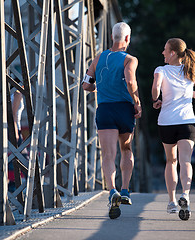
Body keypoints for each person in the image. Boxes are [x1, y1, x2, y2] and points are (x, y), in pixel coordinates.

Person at [82, 22, 142, 219]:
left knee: (108, 154)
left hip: (105, 109)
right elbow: (130, 80)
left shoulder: (97, 59)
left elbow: (85, 85)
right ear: (127, 39)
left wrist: (99, 86)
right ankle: (125, 190)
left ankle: (112, 191)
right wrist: (137, 102)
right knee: (126, 150)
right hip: (124, 109)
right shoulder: (130, 59)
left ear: (111, 37)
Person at [151, 38, 195, 221]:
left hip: (166, 122)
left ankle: (172, 201)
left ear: (173, 53)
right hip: (187, 122)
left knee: (171, 161)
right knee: (186, 161)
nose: (163, 53)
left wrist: (156, 98)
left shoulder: (161, 70)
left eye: (165, 50)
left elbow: (155, 89)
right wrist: (191, 87)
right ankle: (186, 196)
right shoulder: (192, 71)